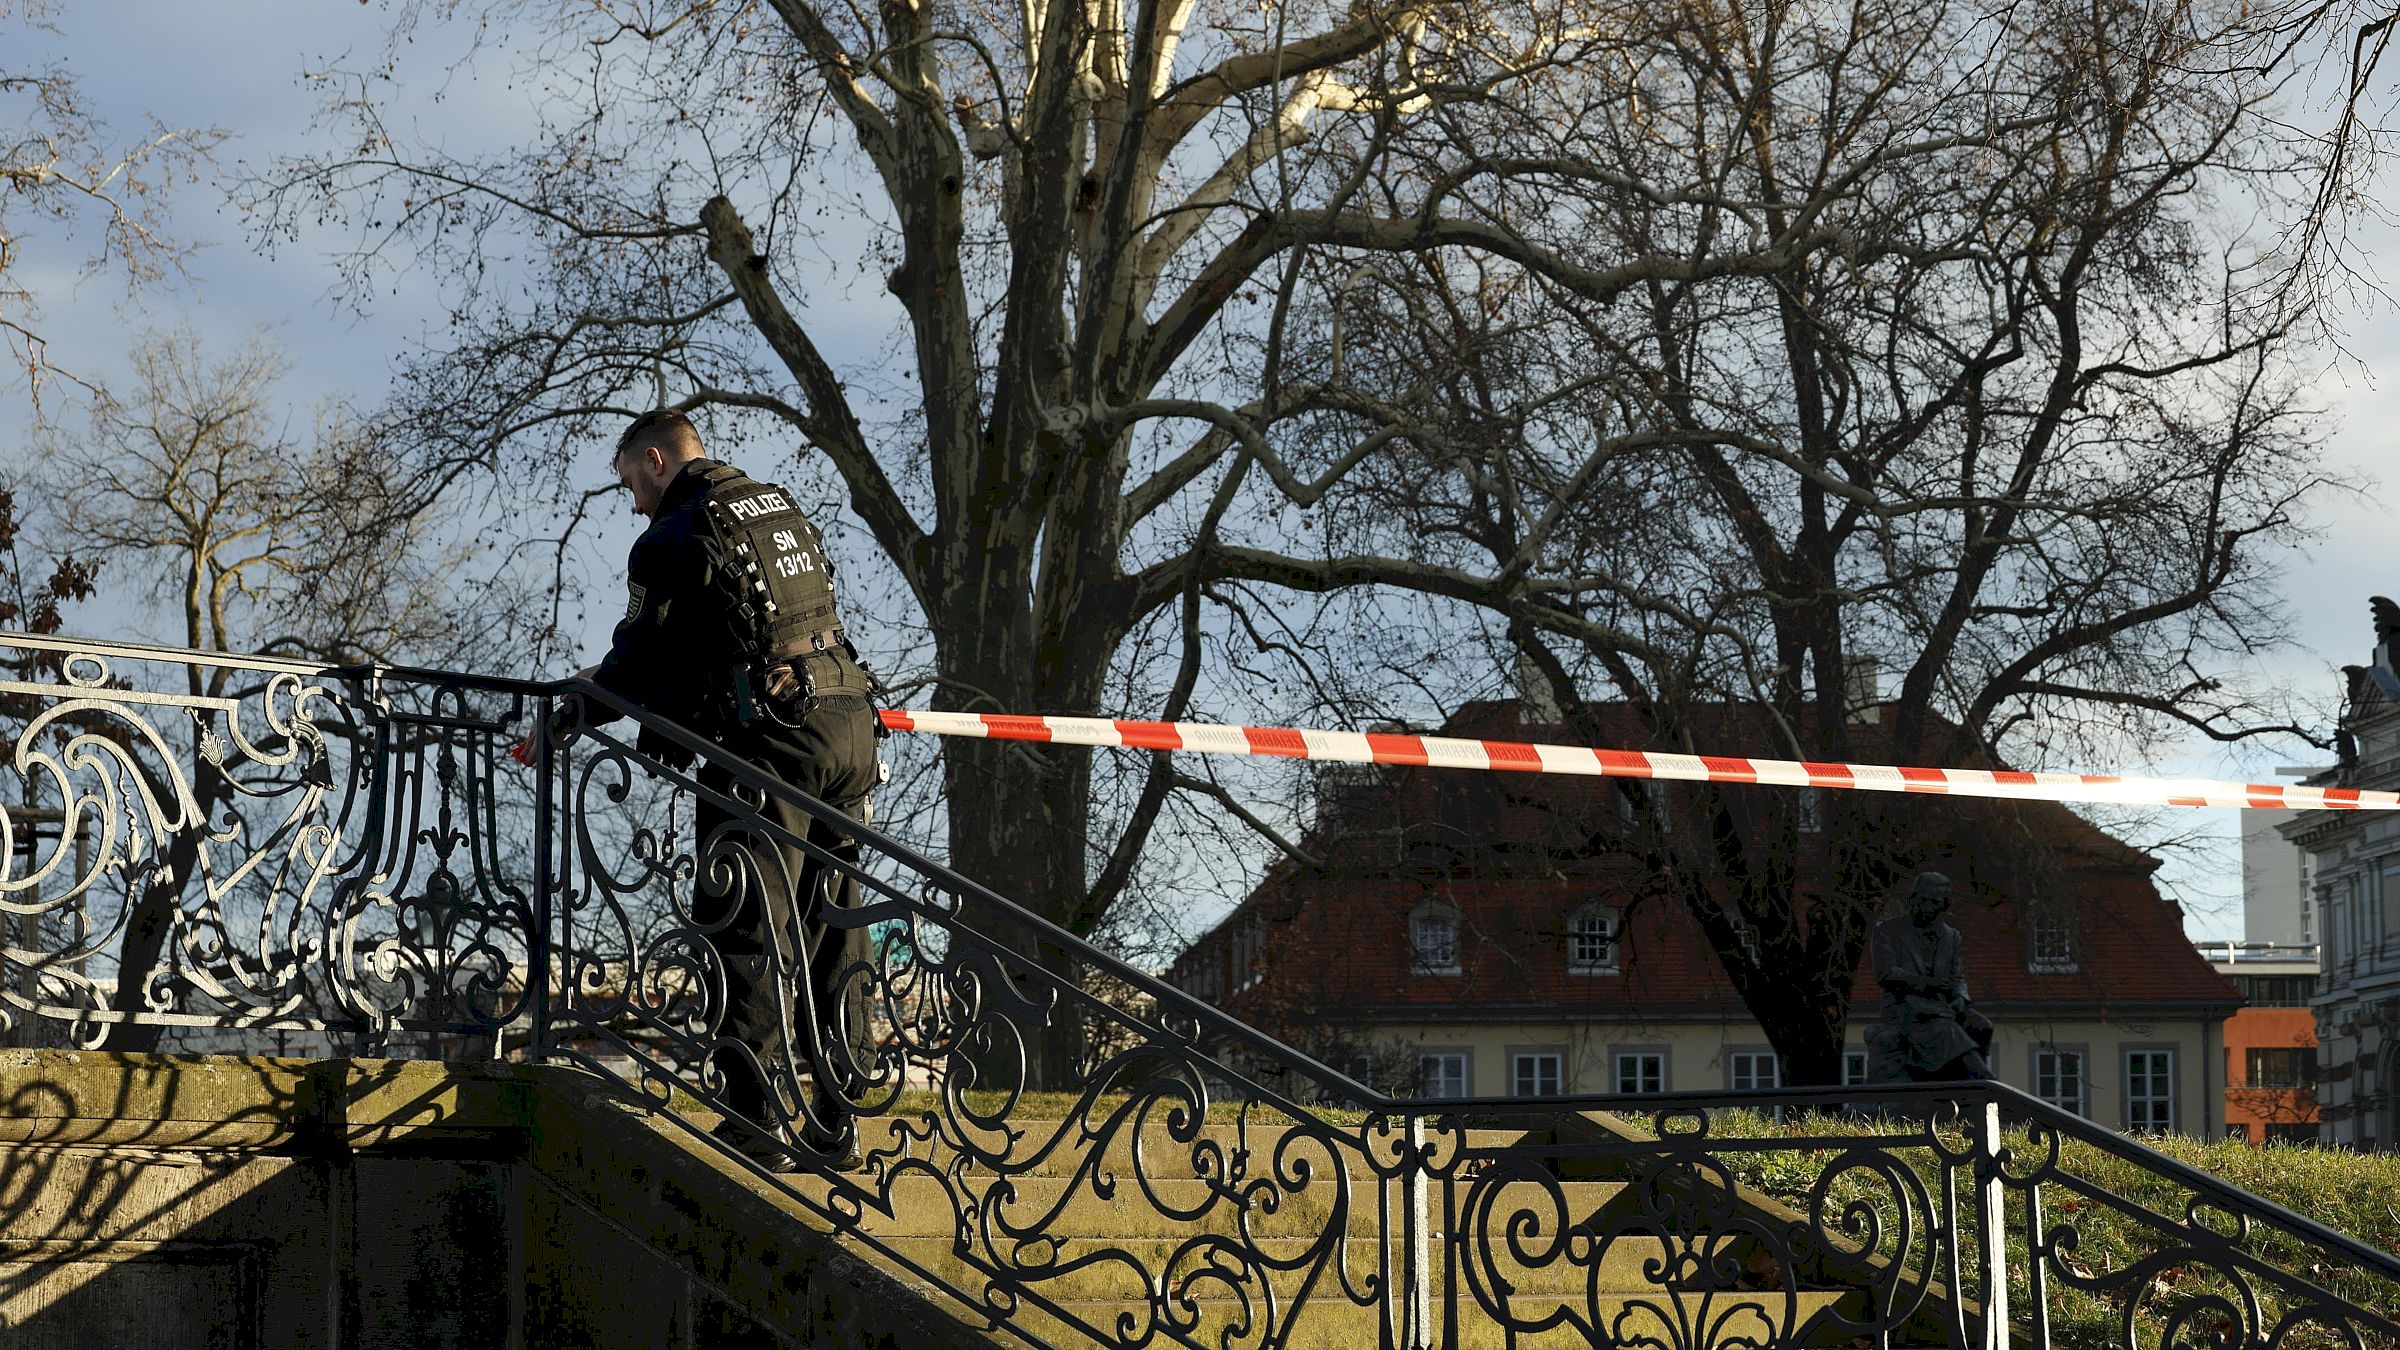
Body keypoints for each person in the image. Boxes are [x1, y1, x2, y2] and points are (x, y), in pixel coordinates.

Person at [572, 408, 881, 1169]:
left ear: (654, 460)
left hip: (772, 740)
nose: (634, 504)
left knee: (749, 918)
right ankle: (839, 1119)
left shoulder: (671, 534)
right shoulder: (776, 504)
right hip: (848, 722)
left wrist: (573, 709)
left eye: (629, 486)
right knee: (836, 921)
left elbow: (638, 657)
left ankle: (757, 1118)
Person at [1865, 871, 1994, 1083]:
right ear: (1913, 898)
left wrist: (1961, 999)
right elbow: (1885, 973)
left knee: (1982, 1026)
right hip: (1904, 1007)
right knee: (1946, 1029)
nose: (1925, 906)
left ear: (1943, 905)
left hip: (1942, 1008)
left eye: (1933, 902)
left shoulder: (1951, 936)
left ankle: (1964, 1092)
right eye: (1922, 899)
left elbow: (1958, 977)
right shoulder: (1888, 930)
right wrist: (1928, 983)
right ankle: (1982, 1081)